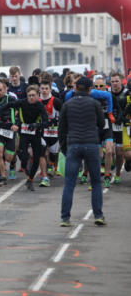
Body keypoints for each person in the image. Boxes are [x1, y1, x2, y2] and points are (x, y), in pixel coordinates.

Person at [59, 76, 106, 227]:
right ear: (90, 89)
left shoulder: (68, 104)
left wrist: (65, 148)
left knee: (69, 183)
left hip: (74, 144)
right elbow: (101, 123)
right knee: (96, 182)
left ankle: (65, 218)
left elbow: (62, 128)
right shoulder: (95, 104)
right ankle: (98, 215)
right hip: (91, 144)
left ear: (75, 88)